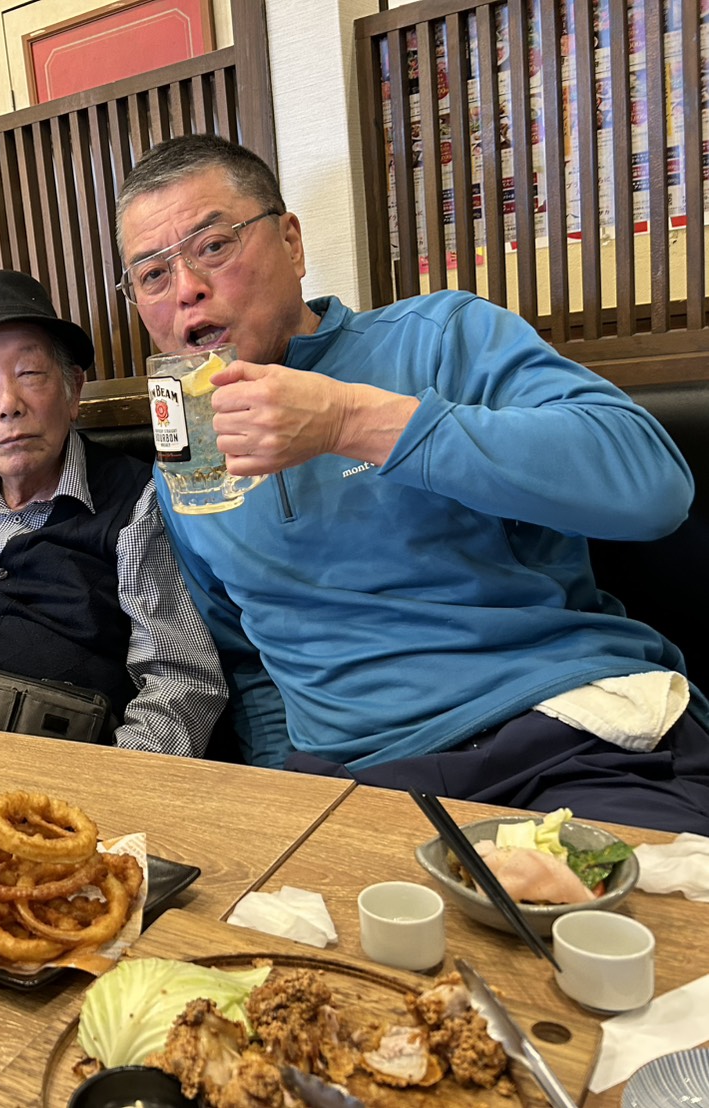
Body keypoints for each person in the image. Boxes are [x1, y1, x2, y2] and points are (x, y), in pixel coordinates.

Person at [115, 133, 709, 832]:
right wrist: (285, 801)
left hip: (559, 734)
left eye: (213, 245)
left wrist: (353, 420)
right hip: (353, 784)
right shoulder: (186, 467)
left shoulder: (440, 337)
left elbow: (652, 488)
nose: (186, 288)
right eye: (152, 275)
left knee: (638, 903)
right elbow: (252, 664)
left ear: (291, 243)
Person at [0, 270, 227, 757]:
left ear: (73, 390)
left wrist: (111, 784)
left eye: (30, 373)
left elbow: (181, 681)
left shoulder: (138, 502)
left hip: (66, 772)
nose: (8, 405)